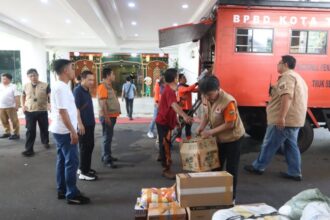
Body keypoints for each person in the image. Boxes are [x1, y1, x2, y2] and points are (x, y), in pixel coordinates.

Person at [244, 55, 308, 181]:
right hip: (295, 120)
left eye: (279, 63)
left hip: (285, 120)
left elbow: (287, 96)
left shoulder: (287, 77)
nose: (277, 65)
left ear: (285, 64)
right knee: (291, 145)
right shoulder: (298, 77)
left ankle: (258, 167)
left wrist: (281, 117)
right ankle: (294, 172)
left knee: (269, 144)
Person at [196, 75, 245, 199]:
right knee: (215, 165)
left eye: (210, 94)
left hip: (233, 138)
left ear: (218, 89)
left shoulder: (228, 101)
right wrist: (201, 127)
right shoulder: (205, 97)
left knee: (231, 169)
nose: (207, 97)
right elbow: (206, 115)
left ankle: (230, 197)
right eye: (205, 94)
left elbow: (230, 124)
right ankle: (216, 192)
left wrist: (210, 132)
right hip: (218, 138)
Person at [49, 59, 90, 205]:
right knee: (71, 162)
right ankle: (71, 193)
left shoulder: (62, 86)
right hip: (64, 131)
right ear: (65, 70)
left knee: (63, 160)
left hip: (61, 130)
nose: (74, 71)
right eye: (72, 68)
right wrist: (73, 132)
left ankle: (63, 189)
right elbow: (63, 112)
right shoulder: (61, 87)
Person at [156, 68, 193, 180]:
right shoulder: (169, 91)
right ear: (175, 78)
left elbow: (172, 107)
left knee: (165, 144)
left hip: (165, 121)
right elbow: (174, 106)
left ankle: (162, 156)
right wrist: (185, 116)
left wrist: (176, 121)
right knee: (166, 145)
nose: (179, 79)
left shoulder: (169, 90)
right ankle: (166, 169)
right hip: (163, 122)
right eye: (177, 76)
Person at [73, 70, 97, 181]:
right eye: (89, 80)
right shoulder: (78, 91)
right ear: (82, 79)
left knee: (89, 146)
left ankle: (84, 167)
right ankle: (84, 172)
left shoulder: (86, 90)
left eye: (93, 80)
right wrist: (80, 123)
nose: (92, 82)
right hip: (84, 125)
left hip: (90, 123)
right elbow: (76, 108)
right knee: (85, 147)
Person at [21, 69, 50, 157]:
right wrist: (23, 105)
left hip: (42, 110)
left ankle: (45, 142)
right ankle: (29, 149)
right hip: (30, 111)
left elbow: (49, 95)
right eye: (31, 76)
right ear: (28, 77)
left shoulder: (45, 85)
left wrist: (50, 104)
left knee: (44, 128)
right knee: (30, 130)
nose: (33, 77)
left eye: (35, 75)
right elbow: (23, 96)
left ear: (38, 75)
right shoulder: (25, 85)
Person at [97, 67, 121, 168]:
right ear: (108, 75)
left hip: (111, 115)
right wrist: (106, 117)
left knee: (108, 137)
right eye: (113, 74)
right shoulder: (103, 86)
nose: (114, 76)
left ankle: (107, 155)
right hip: (108, 116)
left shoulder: (108, 86)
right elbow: (103, 103)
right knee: (107, 137)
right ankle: (106, 158)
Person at [176, 73, 198, 142]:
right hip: (182, 109)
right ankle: (178, 137)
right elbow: (188, 89)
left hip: (189, 108)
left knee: (189, 124)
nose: (185, 78)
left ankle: (188, 136)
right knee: (181, 124)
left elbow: (195, 90)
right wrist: (196, 83)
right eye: (184, 77)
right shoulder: (180, 87)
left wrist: (203, 85)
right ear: (179, 80)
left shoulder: (186, 86)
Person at [0, 73, 20, 140]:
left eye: (4, 78)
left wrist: (17, 106)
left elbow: (17, 96)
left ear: (9, 79)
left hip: (11, 106)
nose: (2, 80)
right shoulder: (0, 86)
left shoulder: (13, 86)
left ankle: (16, 134)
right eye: (2, 78)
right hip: (1, 107)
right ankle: (7, 132)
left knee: (14, 121)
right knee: (4, 121)